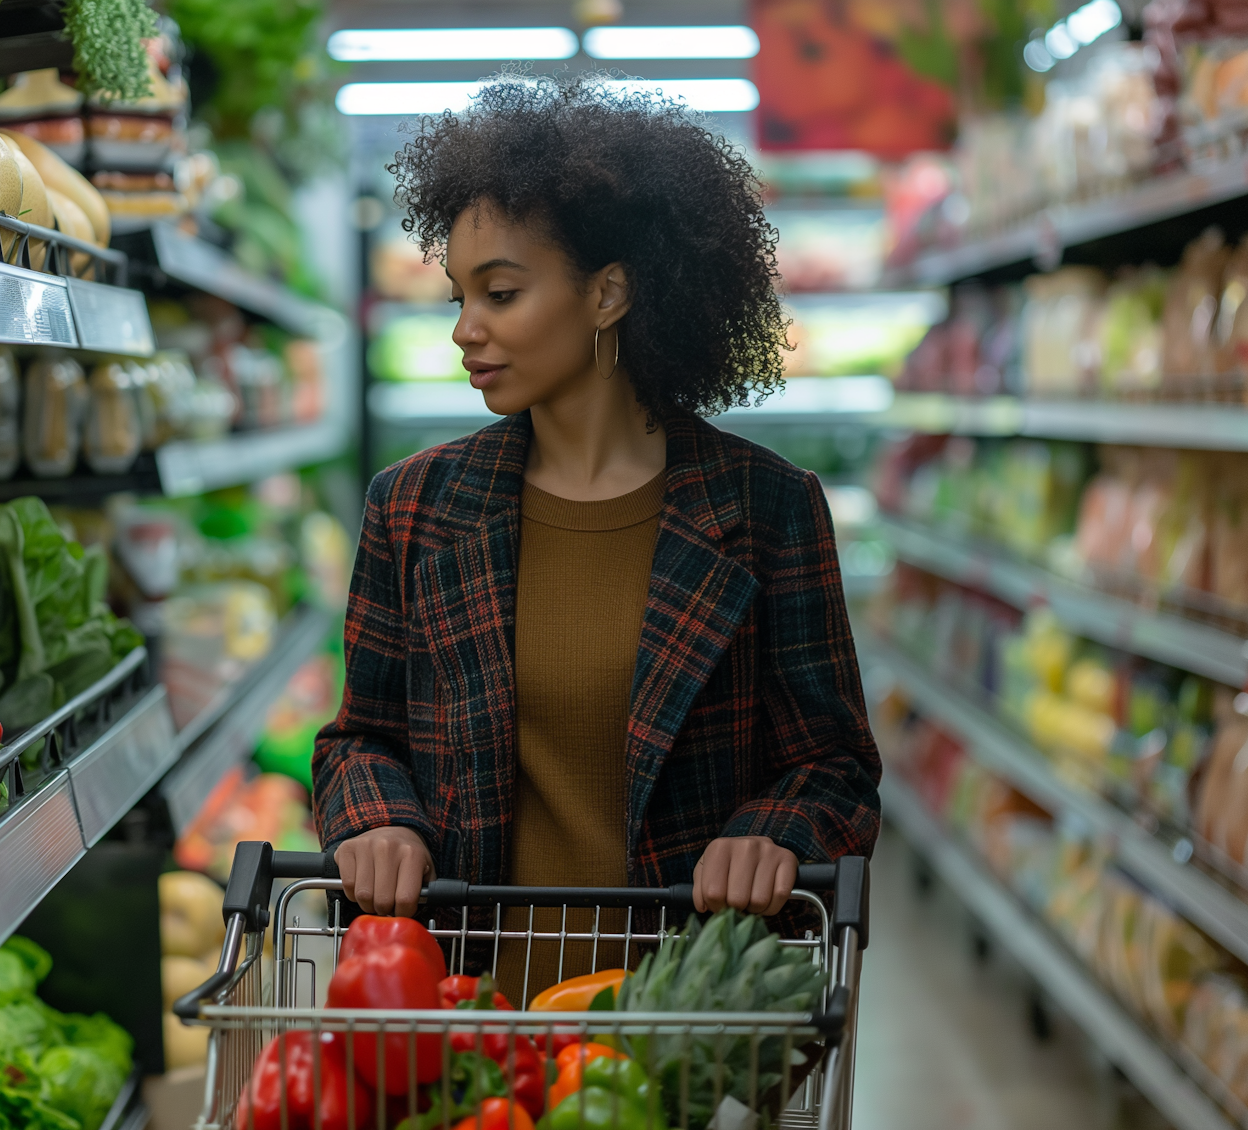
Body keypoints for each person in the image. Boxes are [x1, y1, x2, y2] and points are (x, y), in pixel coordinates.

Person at [313, 74, 880, 997]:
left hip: (680, 1034)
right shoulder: (413, 508)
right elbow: (359, 738)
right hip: (465, 1023)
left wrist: (775, 831)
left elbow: (837, 765)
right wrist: (378, 820)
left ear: (609, 293)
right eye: (460, 295)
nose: (466, 329)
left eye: (500, 293)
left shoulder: (767, 508)